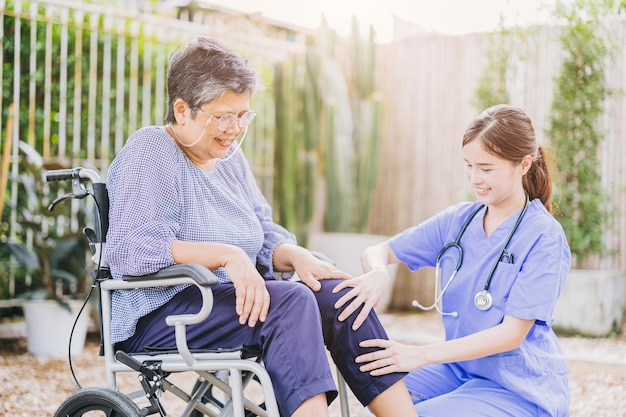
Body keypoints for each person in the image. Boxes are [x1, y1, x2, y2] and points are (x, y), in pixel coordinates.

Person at [105, 37, 418, 417]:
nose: (235, 128)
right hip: (164, 310)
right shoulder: (151, 149)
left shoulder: (228, 158)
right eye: (224, 116)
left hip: (224, 303)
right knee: (292, 303)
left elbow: (262, 229)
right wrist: (226, 255)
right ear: (182, 109)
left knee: (340, 297)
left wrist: (295, 255)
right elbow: (132, 248)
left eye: (243, 115)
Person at [335, 104, 571, 416]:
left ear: (524, 164)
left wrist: (421, 355)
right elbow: (379, 251)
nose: (475, 178)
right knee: (384, 397)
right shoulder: (457, 221)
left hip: (518, 386)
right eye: (468, 165)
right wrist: (378, 272)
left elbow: (511, 334)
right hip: (459, 371)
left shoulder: (544, 236)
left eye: (486, 169)